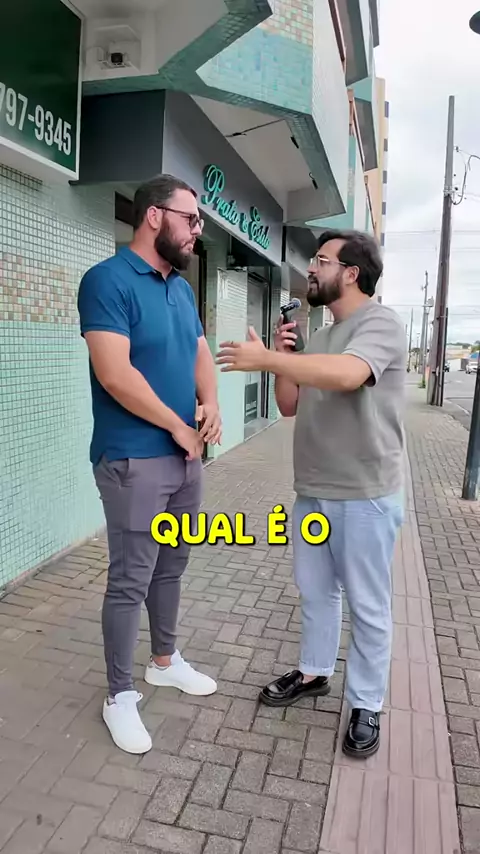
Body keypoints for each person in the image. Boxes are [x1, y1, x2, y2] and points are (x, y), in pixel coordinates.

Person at [215, 228, 406, 759]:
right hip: (313, 491)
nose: (311, 269)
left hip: (365, 493)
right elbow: (289, 405)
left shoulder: (381, 324)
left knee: (368, 605)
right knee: (316, 591)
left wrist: (270, 361)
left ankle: (366, 702)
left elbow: (349, 375)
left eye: (322, 260)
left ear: (352, 273)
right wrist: (283, 357)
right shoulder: (319, 337)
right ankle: (314, 671)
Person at [77, 174, 222, 755]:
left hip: (185, 459)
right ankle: (119, 696)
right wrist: (177, 425)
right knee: (130, 578)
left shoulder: (180, 289)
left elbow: (199, 352)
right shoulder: (107, 280)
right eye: (191, 219)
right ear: (155, 216)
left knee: (171, 566)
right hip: (133, 458)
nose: (197, 231)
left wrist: (210, 404)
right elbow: (115, 374)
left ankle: (164, 661)